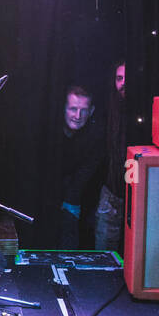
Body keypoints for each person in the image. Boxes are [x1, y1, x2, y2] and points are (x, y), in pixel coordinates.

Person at [53, 85, 105, 249]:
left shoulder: (96, 137)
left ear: (91, 111)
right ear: (63, 108)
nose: (77, 115)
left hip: (82, 204)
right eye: (73, 109)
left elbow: (85, 175)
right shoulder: (50, 133)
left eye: (83, 110)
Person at [94, 64, 127, 253]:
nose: (123, 84)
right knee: (105, 252)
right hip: (112, 192)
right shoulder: (110, 111)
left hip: (140, 194)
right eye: (119, 78)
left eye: (126, 78)